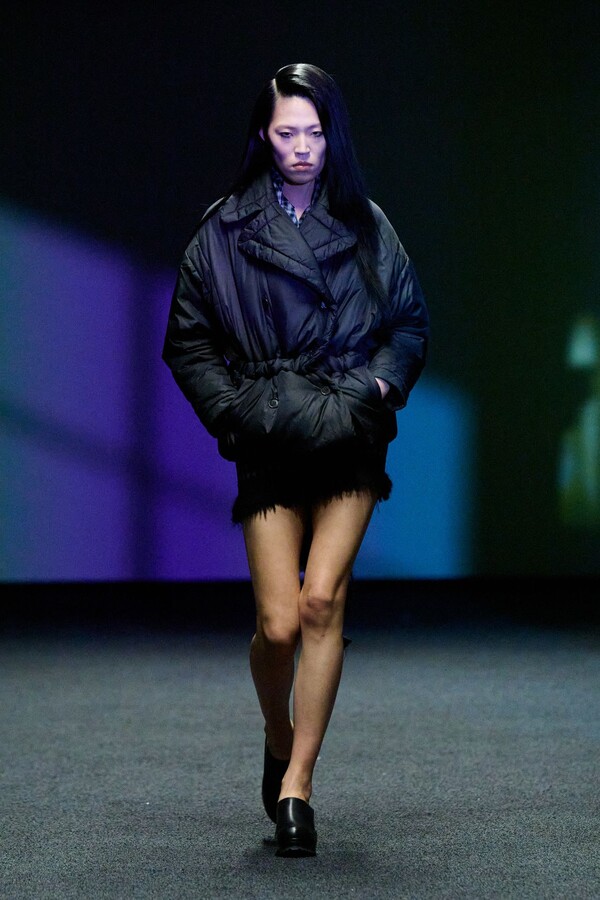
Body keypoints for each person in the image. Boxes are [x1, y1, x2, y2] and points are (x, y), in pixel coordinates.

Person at [162, 63, 429, 857]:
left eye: (315, 132)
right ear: (263, 136)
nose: (303, 147)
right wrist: (236, 414)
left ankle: (297, 787)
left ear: (332, 136)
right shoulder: (225, 230)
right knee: (277, 625)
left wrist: (373, 390)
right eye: (288, 133)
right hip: (272, 437)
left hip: (348, 434)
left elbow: (408, 324)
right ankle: (278, 737)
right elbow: (189, 339)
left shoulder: (367, 224)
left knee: (321, 604)